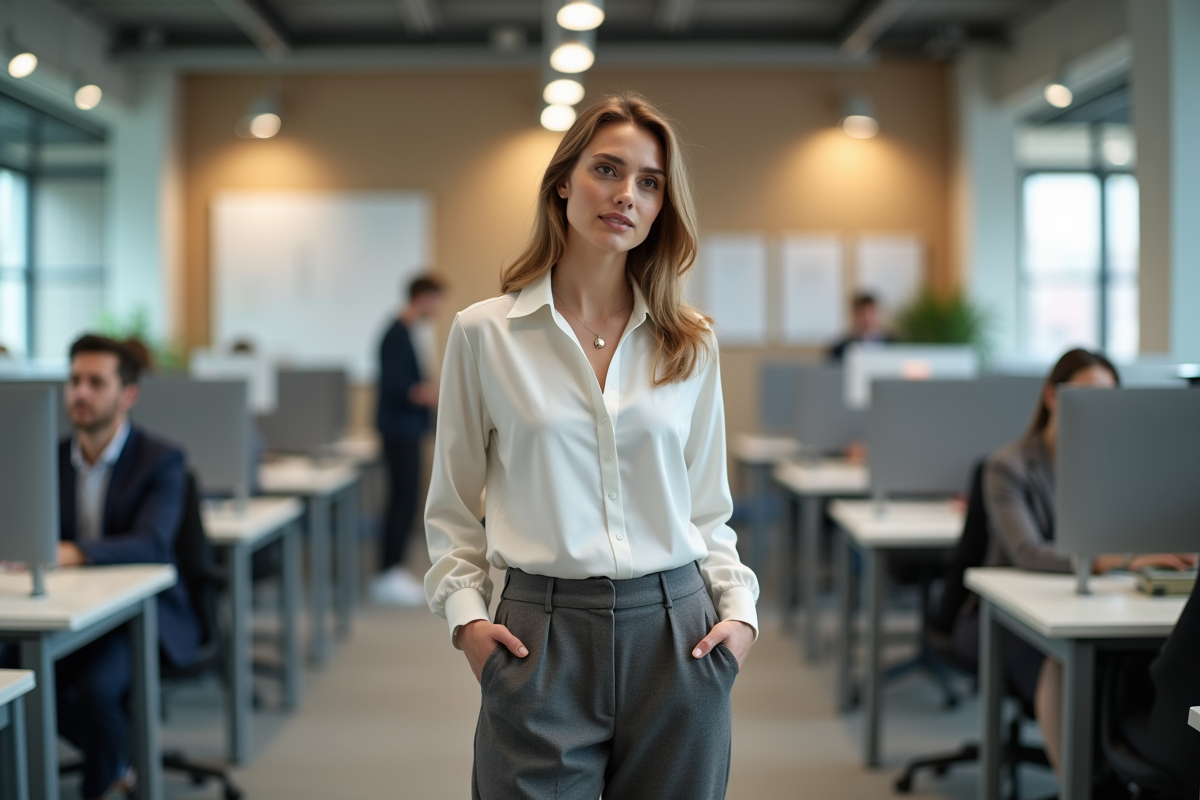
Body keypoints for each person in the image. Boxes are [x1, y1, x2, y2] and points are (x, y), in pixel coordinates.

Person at [425, 93, 759, 800]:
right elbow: (453, 505)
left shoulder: (690, 341)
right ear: (563, 183)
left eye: (649, 182)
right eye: (607, 170)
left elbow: (707, 510)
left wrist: (740, 616)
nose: (626, 195)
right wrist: (468, 623)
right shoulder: (486, 334)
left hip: (680, 635)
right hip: (539, 638)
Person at [953, 347, 1196, 779]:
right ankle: (1079, 780)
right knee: (1066, 662)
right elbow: (1027, 551)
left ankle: (1108, 772)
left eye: (1110, 396)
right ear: (1052, 397)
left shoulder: (1123, 464)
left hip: (1091, 606)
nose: (1099, 408)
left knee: (1131, 661)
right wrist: (1117, 559)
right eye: (1088, 395)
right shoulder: (1008, 466)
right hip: (1006, 617)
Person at [57, 334, 201, 799]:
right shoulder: (51, 458)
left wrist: (73, 553)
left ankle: (100, 781)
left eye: (96, 382)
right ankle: (115, 755)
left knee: (97, 690)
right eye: (75, 380)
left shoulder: (161, 460)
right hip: (69, 610)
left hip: (140, 615)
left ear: (128, 394)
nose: (81, 392)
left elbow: (152, 542)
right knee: (16, 675)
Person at [372, 274, 445, 606]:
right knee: (401, 500)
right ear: (424, 297)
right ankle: (388, 572)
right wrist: (429, 394)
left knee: (407, 498)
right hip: (398, 431)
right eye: (438, 300)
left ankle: (394, 569)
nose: (440, 308)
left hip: (407, 430)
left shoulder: (408, 333)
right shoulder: (396, 335)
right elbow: (396, 386)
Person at [827, 291, 892, 362]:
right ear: (854, 315)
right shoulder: (840, 348)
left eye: (871, 312)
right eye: (862, 313)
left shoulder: (893, 344)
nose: (867, 318)